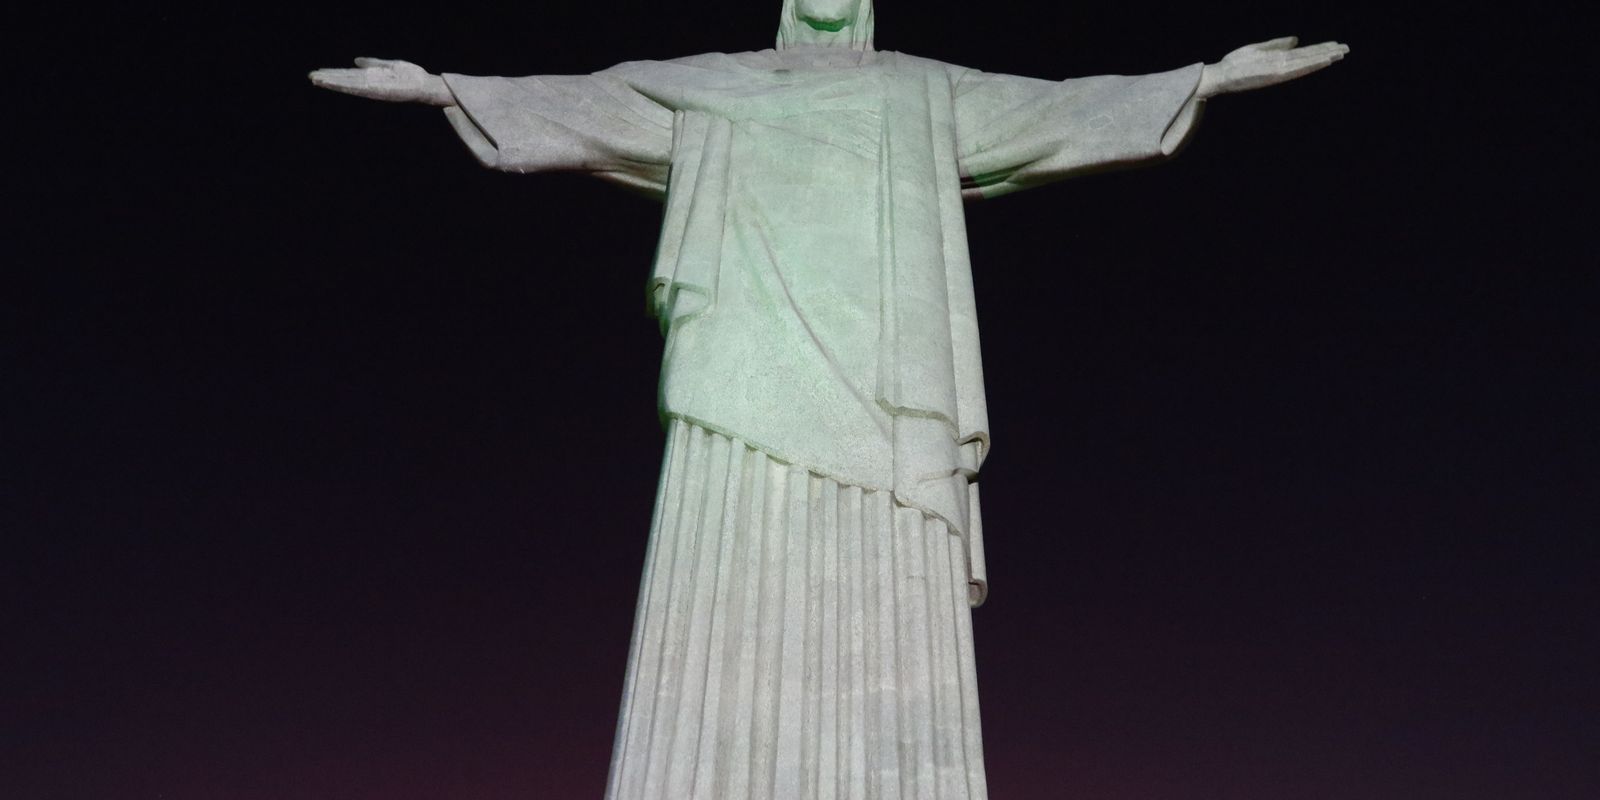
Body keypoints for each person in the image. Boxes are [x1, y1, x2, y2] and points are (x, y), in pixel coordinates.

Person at [311, 2, 1346, 797]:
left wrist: (1203, 79)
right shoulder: (712, 81)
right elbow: (588, 107)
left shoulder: (919, 88)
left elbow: (1054, 111)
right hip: (741, 364)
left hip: (887, 378)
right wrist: (446, 89)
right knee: (725, 561)